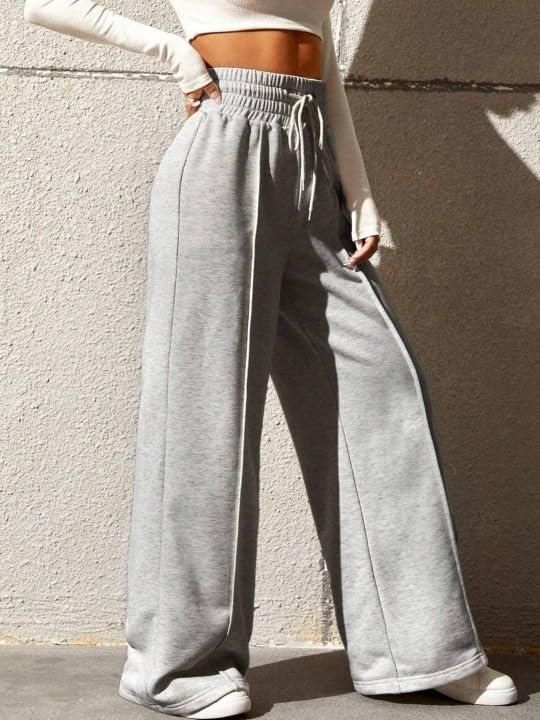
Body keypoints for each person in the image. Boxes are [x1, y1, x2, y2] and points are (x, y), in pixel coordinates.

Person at [23, 1, 518, 718]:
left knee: (383, 391)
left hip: (310, 153)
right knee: (205, 411)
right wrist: (175, 53)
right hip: (223, 143)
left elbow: (325, 60)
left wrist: (359, 189)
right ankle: (175, 665)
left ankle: (417, 649)